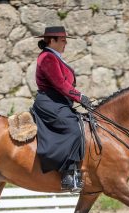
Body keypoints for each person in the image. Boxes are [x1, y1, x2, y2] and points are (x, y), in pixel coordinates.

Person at [31, 26, 92, 192]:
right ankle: (68, 174)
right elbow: (59, 83)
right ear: (52, 40)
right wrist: (80, 97)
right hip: (50, 103)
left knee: (81, 124)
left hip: (59, 102)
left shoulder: (55, 57)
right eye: (63, 40)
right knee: (72, 128)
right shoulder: (47, 58)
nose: (66, 43)